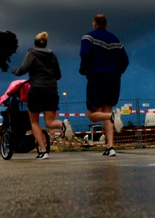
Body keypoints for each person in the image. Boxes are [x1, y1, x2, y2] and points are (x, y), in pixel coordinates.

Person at [11, 32, 74, 160]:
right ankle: (63, 124)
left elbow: (22, 70)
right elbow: (58, 75)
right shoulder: (52, 56)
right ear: (46, 44)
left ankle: (43, 151)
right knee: (50, 122)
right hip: (51, 90)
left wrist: (15, 70)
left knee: (34, 122)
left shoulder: (31, 54)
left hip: (37, 91)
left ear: (35, 44)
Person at [79, 14, 129, 157]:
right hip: (114, 79)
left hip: (97, 78)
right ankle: (110, 147)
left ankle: (112, 117)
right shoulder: (116, 40)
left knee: (92, 114)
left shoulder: (88, 37)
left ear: (94, 24)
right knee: (108, 110)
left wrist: (84, 68)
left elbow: (85, 53)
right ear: (105, 25)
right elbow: (125, 60)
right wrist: (118, 72)